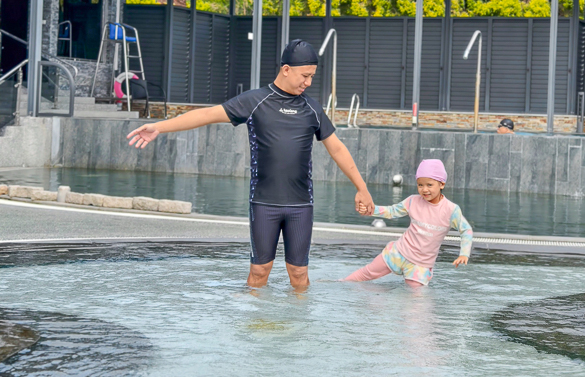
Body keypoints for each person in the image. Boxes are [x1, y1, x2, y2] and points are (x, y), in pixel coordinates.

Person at [126, 39, 374, 291]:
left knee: (299, 274)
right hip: (264, 203)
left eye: (312, 77)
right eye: (305, 75)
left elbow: (337, 148)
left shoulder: (311, 108)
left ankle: (301, 328)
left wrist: (361, 187)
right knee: (259, 271)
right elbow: (205, 115)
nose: (308, 82)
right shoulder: (255, 101)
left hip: (300, 205)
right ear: (286, 69)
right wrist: (158, 126)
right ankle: (255, 326)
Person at [342, 158, 472, 288]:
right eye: (420, 185)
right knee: (366, 273)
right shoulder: (412, 201)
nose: (424, 190)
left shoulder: (450, 210)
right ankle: (341, 284)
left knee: (415, 300)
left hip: (420, 265)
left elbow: (466, 230)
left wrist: (464, 254)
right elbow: (392, 211)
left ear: (442, 184)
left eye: (429, 185)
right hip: (398, 253)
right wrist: (370, 210)